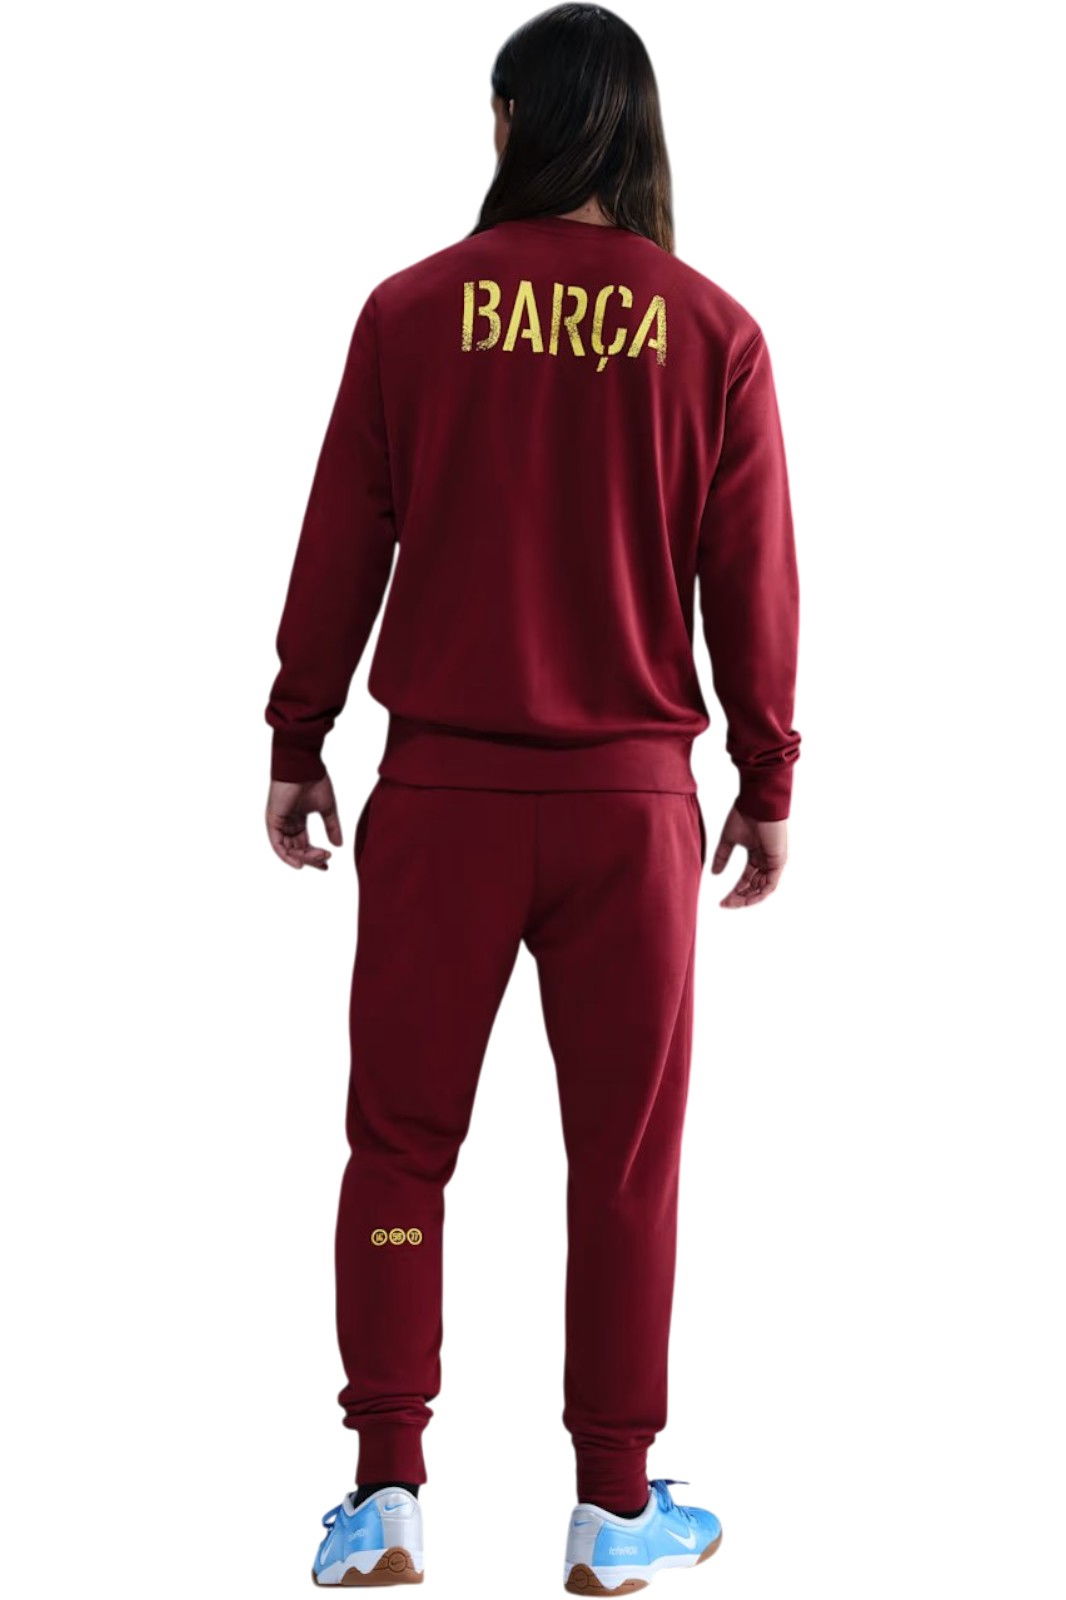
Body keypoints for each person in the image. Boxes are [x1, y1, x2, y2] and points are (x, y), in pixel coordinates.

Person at [264, 3, 800, 1589]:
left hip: (441, 801)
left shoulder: (408, 313)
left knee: (398, 1149)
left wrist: (297, 738)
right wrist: (767, 772)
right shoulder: (711, 332)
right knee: (622, 1164)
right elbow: (751, 579)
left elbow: (339, 541)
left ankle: (385, 1494)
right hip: (631, 813)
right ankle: (614, 1512)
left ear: (508, 122)